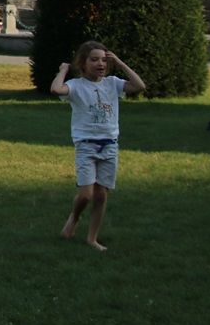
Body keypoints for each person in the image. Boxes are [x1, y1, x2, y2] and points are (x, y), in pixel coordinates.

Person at [49, 42, 147, 251]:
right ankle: (74, 217)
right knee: (86, 195)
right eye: (94, 60)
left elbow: (139, 86)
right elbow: (56, 88)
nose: (100, 63)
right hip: (86, 146)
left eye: (104, 59)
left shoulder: (112, 83)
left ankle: (92, 239)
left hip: (109, 146)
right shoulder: (76, 86)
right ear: (83, 64)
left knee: (101, 195)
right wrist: (64, 70)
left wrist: (120, 63)